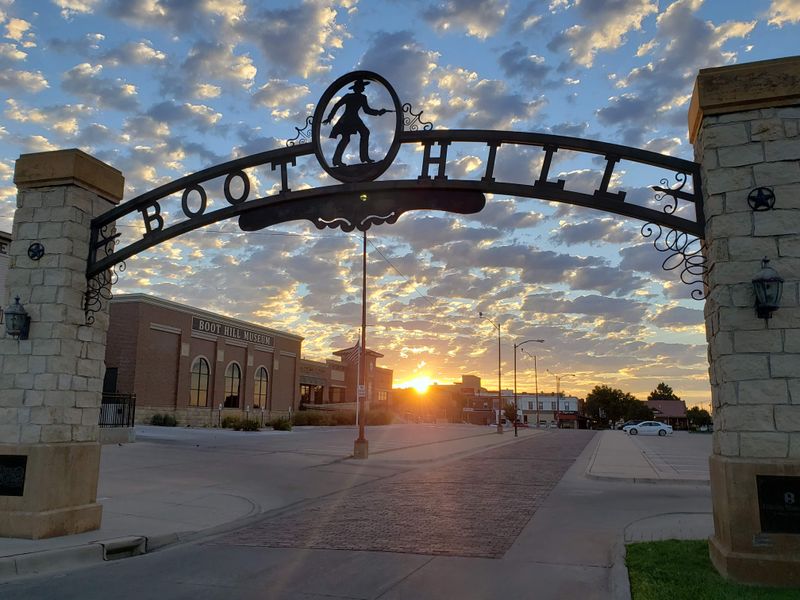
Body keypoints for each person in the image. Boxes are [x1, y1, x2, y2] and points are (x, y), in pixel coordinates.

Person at [322, 79, 389, 167]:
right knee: (350, 137)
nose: (364, 88)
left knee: (360, 134)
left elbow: (366, 110)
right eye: (362, 87)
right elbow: (337, 105)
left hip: (351, 118)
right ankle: (338, 160)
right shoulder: (355, 97)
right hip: (348, 119)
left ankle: (362, 157)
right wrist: (329, 117)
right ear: (359, 88)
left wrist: (379, 112)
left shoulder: (359, 97)